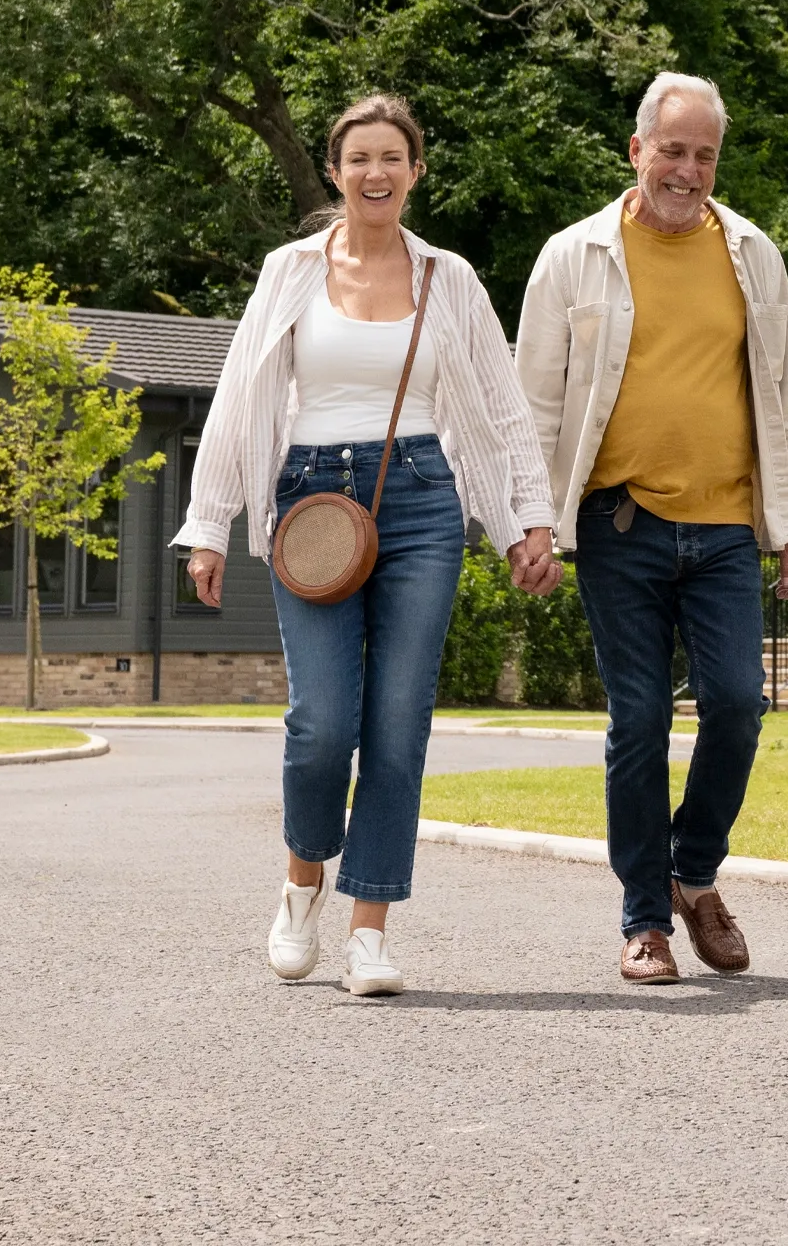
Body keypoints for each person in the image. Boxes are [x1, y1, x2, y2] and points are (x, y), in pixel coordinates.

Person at [174, 93, 559, 998]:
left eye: (393, 158)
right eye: (360, 160)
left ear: (415, 172)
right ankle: (303, 877)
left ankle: (371, 931)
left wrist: (526, 521)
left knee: (397, 726)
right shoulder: (290, 270)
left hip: (422, 497)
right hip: (310, 502)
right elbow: (238, 399)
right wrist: (209, 523)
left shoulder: (449, 278)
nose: (376, 173)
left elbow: (500, 408)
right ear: (337, 172)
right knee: (322, 728)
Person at [516, 71, 788, 984]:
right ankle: (645, 920)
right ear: (637, 149)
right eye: (673, 150)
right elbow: (532, 403)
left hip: (728, 524)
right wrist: (532, 523)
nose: (688, 170)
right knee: (639, 720)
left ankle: (694, 874)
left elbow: (783, 393)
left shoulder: (754, 253)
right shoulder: (574, 256)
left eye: (705, 154)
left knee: (737, 703)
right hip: (622, 523)